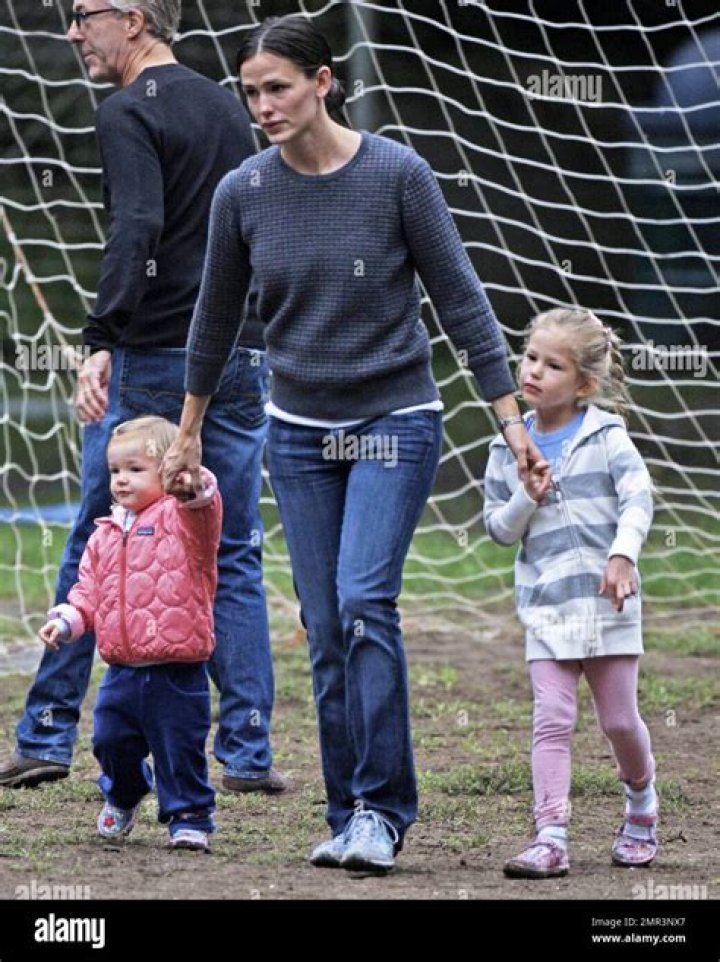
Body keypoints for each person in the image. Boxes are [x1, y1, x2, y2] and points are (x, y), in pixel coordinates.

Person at [160, 14, 542, 874]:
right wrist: (187, 433)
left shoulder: (397, 174)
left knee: (366, 602)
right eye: (251, 90)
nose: (263, 104)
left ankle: (382, 809)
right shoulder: (243, 193)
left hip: (393, 422)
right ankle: (347, 810)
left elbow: (464, 303)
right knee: (325, 622)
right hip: (296, 431)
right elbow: (214, 323)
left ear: (324, 81)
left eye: (279, 86)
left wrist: (512, 423)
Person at [0, 0, 285, 795]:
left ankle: (49, 736)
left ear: (133, 19)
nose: (70, 31)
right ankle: (249, 751)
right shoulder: (230, 106)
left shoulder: (126, 109)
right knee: (229, 548)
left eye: (82, 14)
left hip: (156, 353)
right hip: (237, 349)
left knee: (104, 532)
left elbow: (138, 225)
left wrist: (101, 336)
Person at [483, 307, 658, 879]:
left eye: (552, 365)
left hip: (609, 608)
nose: (532, 371)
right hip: (547, 611)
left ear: (583, 383)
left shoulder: (607, 436)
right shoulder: (506, 448)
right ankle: (550, 836)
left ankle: (641, 803)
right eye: (530, 357)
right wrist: (526, 495)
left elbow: (638, 498)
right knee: (551, 720)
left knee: (619, 723)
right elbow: (498, 530)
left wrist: (622, 554)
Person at [40, 417, 220, 851]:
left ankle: (189, 816)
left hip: (178, 672)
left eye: (135, 469)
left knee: (180, 750)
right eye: (116, 470)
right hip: (121, 670)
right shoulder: (104, 534)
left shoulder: (183, 519)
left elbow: (204, 502)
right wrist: (67, 620)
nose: (121, 479)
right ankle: (125, 792)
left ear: (167, 471)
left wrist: (191, 480)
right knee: (109, 740)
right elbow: (88, 591)